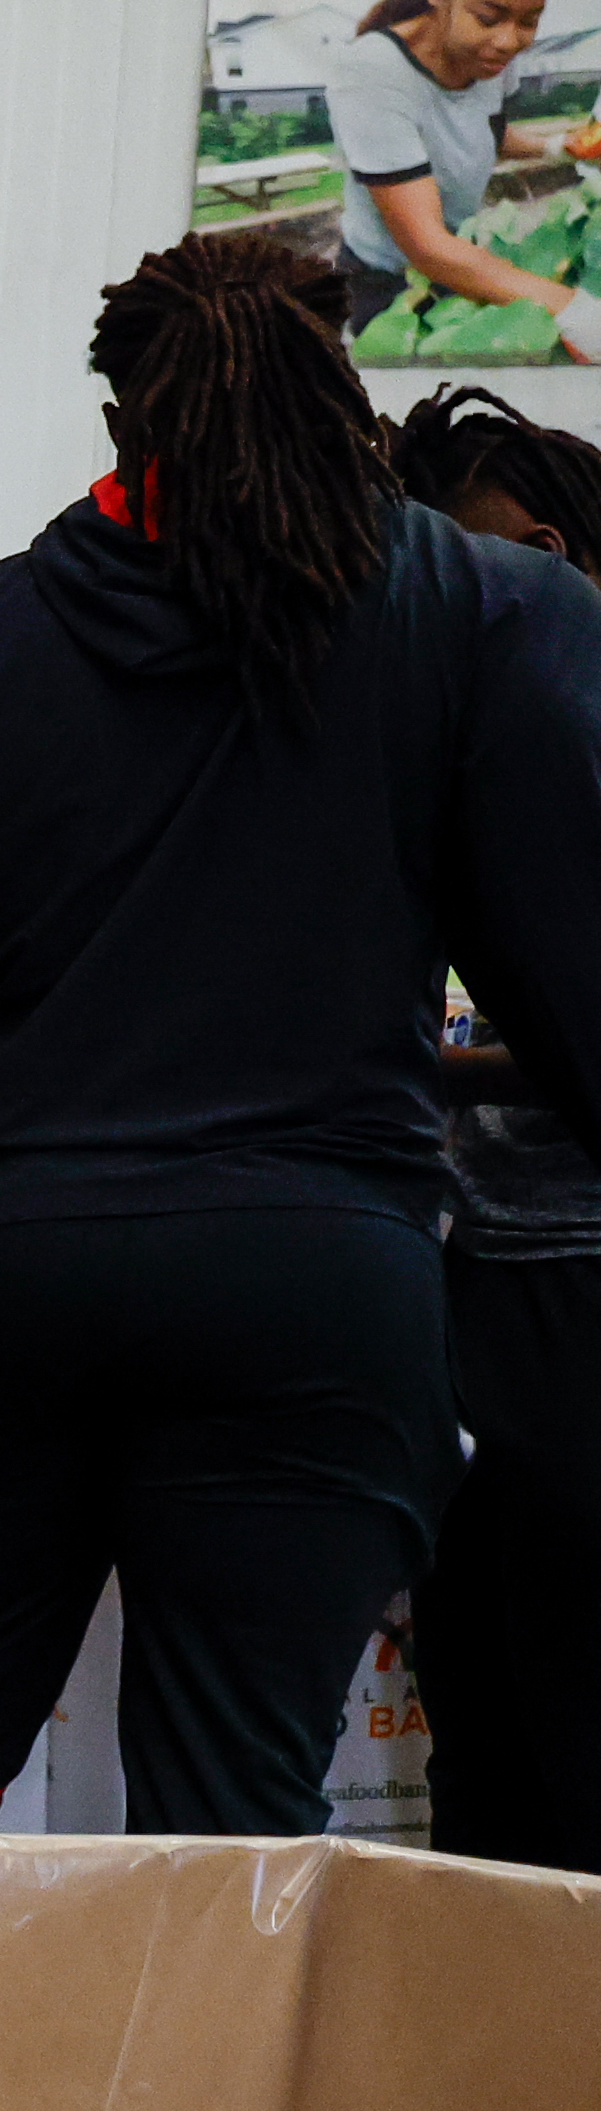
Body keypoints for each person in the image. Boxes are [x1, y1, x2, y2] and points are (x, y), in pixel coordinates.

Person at [0, 238, 601, 1838]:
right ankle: (206, 2100)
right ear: (343, 398)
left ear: (115, 415)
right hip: (312, 1277)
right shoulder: (479, 609)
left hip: (3, 1260)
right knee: (229, 1795)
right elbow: (561, 961)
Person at [391, 383, 601, 1868]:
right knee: (483, 1734)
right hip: (465, 1280)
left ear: (529, 549)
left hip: (570, 1283)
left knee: (565, 1730)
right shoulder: (472, 719)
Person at [323, 0, 596, 353]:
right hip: (386, 279)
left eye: (529, 21)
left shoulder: (490, 59)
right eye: (488, 17)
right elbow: (427, 247)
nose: (508, 41)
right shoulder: (372, 74)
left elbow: (488, 132)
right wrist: (574, 309)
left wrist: (559, 145)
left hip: (460, 257)